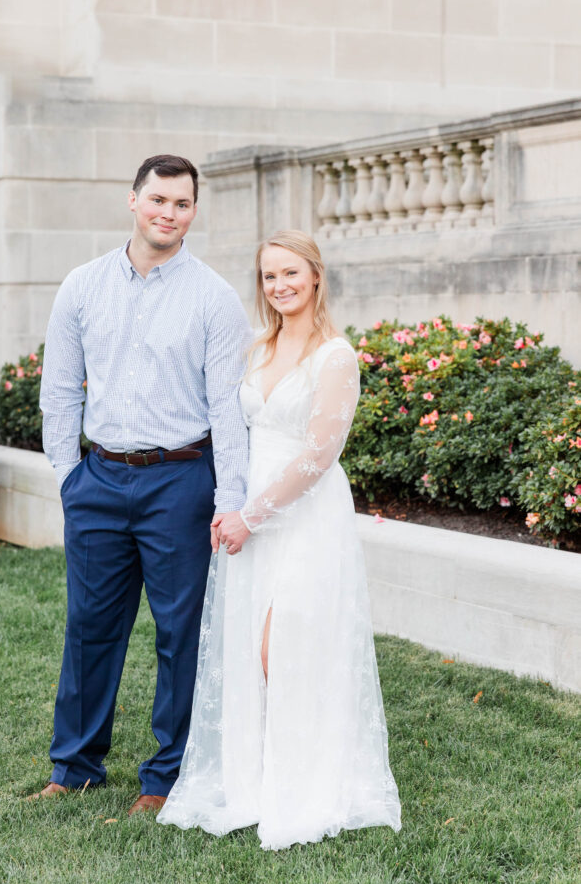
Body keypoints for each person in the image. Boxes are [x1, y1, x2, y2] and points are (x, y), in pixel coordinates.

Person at [158, 230, 401, 850]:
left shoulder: (335, 355)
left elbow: (319, 457)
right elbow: (232, 433)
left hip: (305, 517)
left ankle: (308, 784)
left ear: (316, 276)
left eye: (291, 273)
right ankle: (255, 780)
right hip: (249, 513)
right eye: (269, 276)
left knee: (285, 646)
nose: (280, 285)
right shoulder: (257, 347)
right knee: (247, 650)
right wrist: (229, 504)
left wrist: (252, 515)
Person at [31, 154, 251, 813]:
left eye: (182, 204)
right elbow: (59, 387)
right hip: (98, 479)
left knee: (180, 633)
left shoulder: (213, 296)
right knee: (89, 627)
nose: (169, 213)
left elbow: (228, 410)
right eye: (158, 199)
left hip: (180, 481)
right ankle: (74, 766)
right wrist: (70, 475)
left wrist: (228, 497)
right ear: (133, 200)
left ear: (192, 211)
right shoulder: (82, 284)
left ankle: (166, 775)